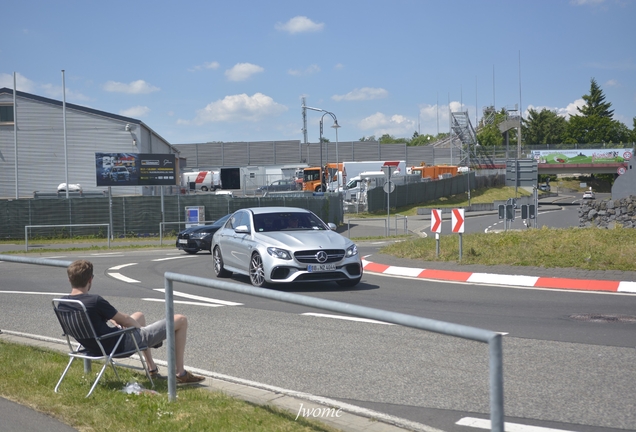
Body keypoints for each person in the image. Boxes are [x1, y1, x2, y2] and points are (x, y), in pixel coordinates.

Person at [61, 259, 204, 384]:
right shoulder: (94, 301)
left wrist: (116, 321)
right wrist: (140, 331)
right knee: (180, 320)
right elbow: (125, 320)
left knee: (139, 315)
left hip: (93, 347)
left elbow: (104, 319)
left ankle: (152, 368)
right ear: (90, 280)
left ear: (69, 280)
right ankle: (181, 373)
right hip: (119, 345)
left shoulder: (62, 303)